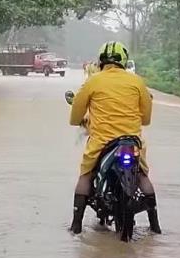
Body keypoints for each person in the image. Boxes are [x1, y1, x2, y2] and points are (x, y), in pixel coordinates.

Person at [68, 41, 161, 234]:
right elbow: (146, 119)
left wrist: (83, 121)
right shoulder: (137, 82)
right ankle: (155, 226)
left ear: (101, 60)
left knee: (85, 174)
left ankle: (76, 225)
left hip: (102, 142)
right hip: (132, 141)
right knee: (143, 175)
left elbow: (75, 117)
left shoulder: (93, 81)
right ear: (124, 61)